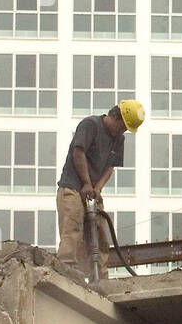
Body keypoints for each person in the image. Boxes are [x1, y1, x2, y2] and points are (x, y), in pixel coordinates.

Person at [55, 100, 145, 271]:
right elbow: (78, 152)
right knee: (72, 234)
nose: (124, 130)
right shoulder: (90, 125)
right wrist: (87, 184)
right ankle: (67, 275)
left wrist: (97, 188)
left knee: (100, 237)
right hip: (72, 189)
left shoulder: (119, 138)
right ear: (116, 117)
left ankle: (101, 281)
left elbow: (110, 166)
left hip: (92, 193)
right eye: (124, 126)